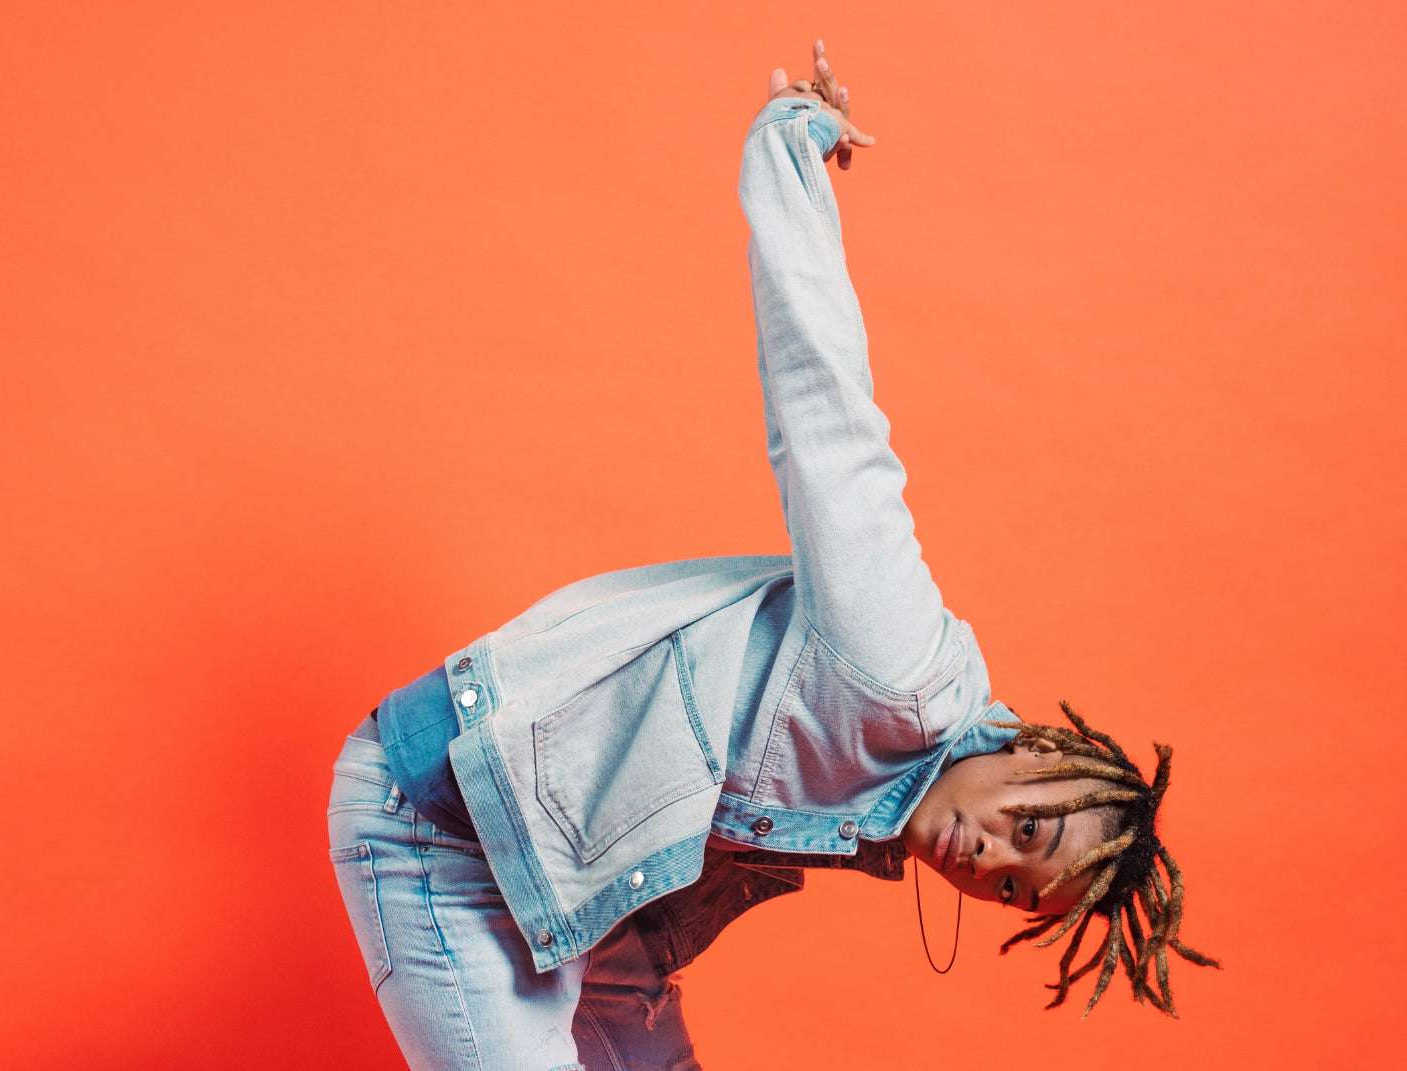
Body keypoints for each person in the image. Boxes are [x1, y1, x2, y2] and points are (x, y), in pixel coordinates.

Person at [327, 41, 1217, 1070]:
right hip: (447, 824)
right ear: (1034, 754)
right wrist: (789, 153)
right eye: (1029, 832)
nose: (986, 863)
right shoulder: (903, 676)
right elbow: (829, 424)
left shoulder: (901, 803)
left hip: (581, 901)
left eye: (1013, 889)